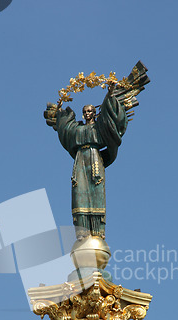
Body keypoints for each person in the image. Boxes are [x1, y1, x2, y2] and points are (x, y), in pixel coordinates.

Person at [45, 84, 128, 240]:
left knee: (96, 192)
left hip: (95, 159)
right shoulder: (78, 129)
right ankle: (82, 231)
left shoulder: (99, 128)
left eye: (89, 111)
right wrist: (60, 112)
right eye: (84, 112)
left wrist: (109, 95)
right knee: (79, 193)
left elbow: (109, 117)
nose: (87, 114)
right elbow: (66, 128)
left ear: (94, 113)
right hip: (80, 160)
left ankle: (98, 230)